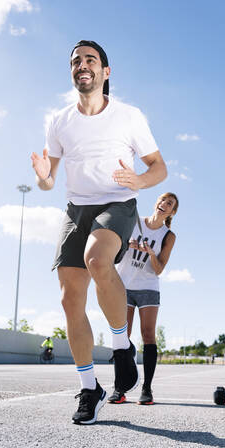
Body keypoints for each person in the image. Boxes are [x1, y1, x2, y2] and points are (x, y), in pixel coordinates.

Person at [31, 40, 167, 424]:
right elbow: (49, 180)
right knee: (70, 298)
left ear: (105, 72)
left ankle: (121, 347)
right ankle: (90, 387)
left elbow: (159, 167)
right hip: (77, 208)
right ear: (72, 72)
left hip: (118, 203)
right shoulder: (59, 121)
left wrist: (139, 180)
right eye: (75, 61)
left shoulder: (128, 116)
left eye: (90, 59)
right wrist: (43, 179)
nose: (82, 65)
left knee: (96, 258)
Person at [108, 192, 178, 405]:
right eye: (163, 200)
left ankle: (147, 389)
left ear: (172, 212)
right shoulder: (135, 222)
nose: (164, 204)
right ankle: (119, 387)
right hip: (124, 286)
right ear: (157, 202)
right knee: (123, 335)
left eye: (170, 203)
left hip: (148, 287)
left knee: (148, 335)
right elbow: (114, 251)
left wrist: (150, 253)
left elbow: (159, 270)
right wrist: (125, 244)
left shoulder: (168, 236)